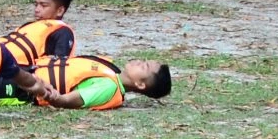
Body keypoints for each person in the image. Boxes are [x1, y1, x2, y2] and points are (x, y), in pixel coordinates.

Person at [25, 53, 170, 111]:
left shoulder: (108, 87)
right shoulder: (110, 71)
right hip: (26, 72)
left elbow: (65, 101)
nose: (139, 62)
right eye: (143, 61)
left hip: (22, 90)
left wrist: (40, 89)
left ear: (140, 84)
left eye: (144, 66)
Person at [0, 0, 76, 73]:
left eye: (43, 5)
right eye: (36, 4)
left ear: (60, 11)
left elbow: (58, 68)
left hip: (12, 72)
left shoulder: (63, 32)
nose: (37, 9)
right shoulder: (29, 25)